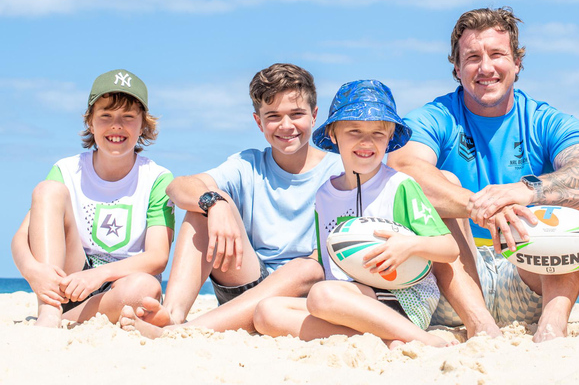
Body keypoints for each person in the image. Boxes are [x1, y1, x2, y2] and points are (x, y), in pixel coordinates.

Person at [387, 7, 579, 342]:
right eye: (473, 57)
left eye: (497, 54)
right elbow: (401, 166)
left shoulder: (543, 119)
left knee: (566, 195)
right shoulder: (437, 116)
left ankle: (552, 329)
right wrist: (482, 205)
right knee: (442, 184)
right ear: (457, 68)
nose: (486, 67)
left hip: (527, 276)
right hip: (456, 283)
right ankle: (481, 327)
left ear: (517, 62)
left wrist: (524, 191)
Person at [119, 63, 342, 337]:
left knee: (308, 266)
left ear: (314, 115)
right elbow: (177, 187)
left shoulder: (338, 171)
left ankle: (185, 333)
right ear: (258, 122)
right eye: (273, 116)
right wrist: (215, 203)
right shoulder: (248, 165)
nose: (286, 126)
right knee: (203, 204)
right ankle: (174, 317)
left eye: (296, 114)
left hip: (301, 298)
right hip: (246, 284)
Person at [253, 80, 459, 347]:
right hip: (347, 298)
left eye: (378, 133)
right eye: (354, 130)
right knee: (266, 313)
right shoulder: (324, 196)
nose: (366, 141)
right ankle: (385, 341)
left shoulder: (399, 186)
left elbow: (449, 248)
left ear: (390, 138)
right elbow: (330, 264)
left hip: (404, 296)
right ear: (333, 134)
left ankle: (421, 339)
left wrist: (410, 245)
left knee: (321, 295)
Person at [11, 69, 175, 328]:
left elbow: (157, 257)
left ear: (144, 123)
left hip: (120, 281)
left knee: (144, 288)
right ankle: (50, 311)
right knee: (47, 190)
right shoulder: (66, 170)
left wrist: (99, 276)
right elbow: (22, 237)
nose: (116, 126)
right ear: (90, 121)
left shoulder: (157, 178)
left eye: (128, 117)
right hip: (70, 276)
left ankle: (65, 319)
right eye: (106, 115)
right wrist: (32, 271)